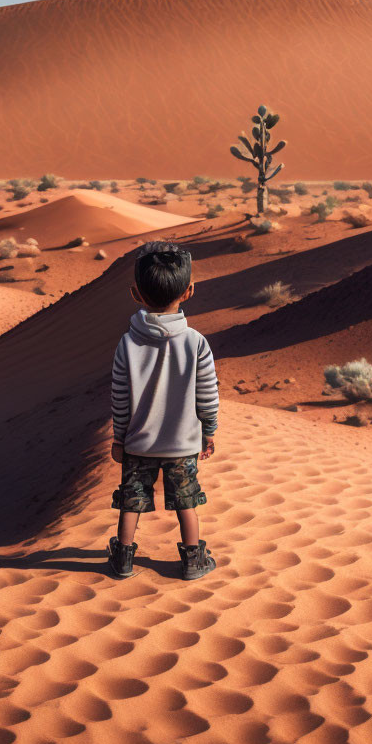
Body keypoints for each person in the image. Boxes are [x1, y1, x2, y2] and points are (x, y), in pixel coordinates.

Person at [108, 241, 219, 581]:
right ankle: (192, 559)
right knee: (186, 502)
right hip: (182, 445)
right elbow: (208, 394)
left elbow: (120, 398)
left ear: (135, 293)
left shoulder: (127, 343)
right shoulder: (196, 342)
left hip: (139, 444)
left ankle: (123, 559)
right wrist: (209, 430)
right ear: (189, 291)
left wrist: (119, 437)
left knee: (132, 501)